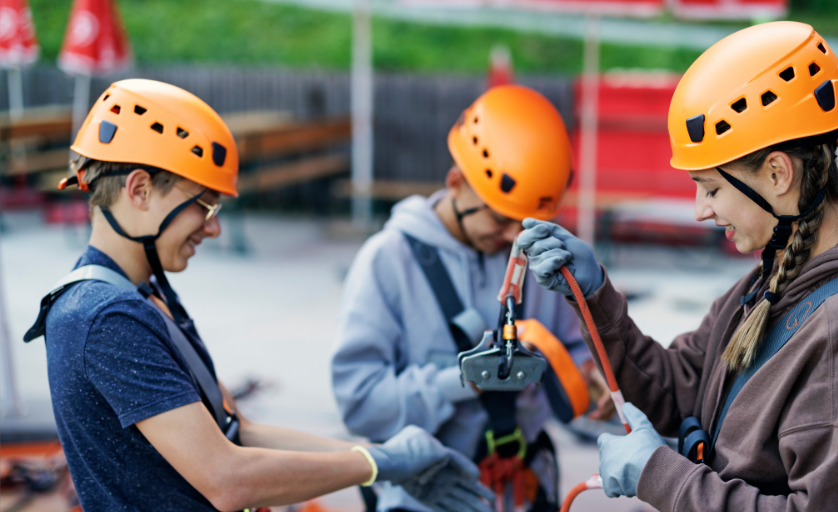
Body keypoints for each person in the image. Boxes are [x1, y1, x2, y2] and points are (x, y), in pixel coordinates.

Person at [517, 22, 838, 512]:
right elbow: (678, 390)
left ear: (778, 174)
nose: (701, 209)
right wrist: (595, 295)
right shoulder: (770, 283)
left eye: (712, 188)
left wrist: (660, 475)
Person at [24, 79, 491, 512]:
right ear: (140, 189)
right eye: (204, 205)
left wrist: (378, 456)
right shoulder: (105, 319)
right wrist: (375, 468)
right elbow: (226, 478)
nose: (214, 226)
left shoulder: (145, 293)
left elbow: (237, 430)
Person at [331, 84, 614, 512]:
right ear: (455, 183)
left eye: (525, 226)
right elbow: (361, 404)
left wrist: (589, 375)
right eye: (501, 220)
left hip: (521, 485)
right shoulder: (389, 261)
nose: (512, 240)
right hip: (424, 497)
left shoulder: (534, 259)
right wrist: (460, 381)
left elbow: (568, 349)